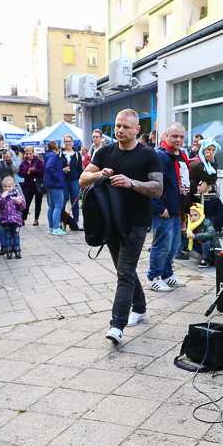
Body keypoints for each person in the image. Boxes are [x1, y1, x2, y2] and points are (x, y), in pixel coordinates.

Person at [80, 109, 162, 345]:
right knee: (125, 270)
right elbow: (82, 179)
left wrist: (131, 183)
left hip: (136, 224)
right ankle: (141, 307)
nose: (120, 130)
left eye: (126, 127)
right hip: (110, 224)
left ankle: (117, 325)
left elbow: (158, 188)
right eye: (117, 126)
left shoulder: (148, 154)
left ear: (137, 129)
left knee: (124, 273)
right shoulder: (104, 151)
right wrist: (98, 175)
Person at [148, 122, 190, 292]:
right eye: (175, 136)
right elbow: (154, 184)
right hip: (164, 210)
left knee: (173, 245)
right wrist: (159, 207)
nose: (178, 140)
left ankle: (167, 275)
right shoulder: (160, 155)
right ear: (166, 136)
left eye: (181, 137)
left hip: (177, 210)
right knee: (162, 245)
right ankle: (153, 277)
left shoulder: (182, 154)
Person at [188, 139, 223, 231]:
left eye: (213, 150)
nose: (211, 152)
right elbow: (213, 177)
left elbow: (209, 175)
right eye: (208, 150)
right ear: (203, 150)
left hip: (195, 191)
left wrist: (205, 181)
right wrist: (213, 162)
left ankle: (214, 226)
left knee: (214, 201)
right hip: (191, 194)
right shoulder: (197, 163)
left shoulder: (204, 162)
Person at [0, 176, 25, 259]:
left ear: (13, 186)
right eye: (5, 187)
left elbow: (23, 207)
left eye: (9, 186)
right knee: (7, 236)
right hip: (6, 220)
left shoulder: (17, 195)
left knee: (16, 235)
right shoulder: (2, 196)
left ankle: (17, 250)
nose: (7, 188)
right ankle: (8, 251)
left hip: (16, 220)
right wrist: (2, 197)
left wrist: (19, 202)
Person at [42, 140, 67, 236]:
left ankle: (51, 227)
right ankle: (56, 228)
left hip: (49, 184)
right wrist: (57, 176)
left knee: (51, 206)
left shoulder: (47, 155)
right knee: (58, 206)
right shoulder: (53, 156)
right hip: (55, 184)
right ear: (56, 146)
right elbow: (49, 167)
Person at [187, 203, 220, 268]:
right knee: (185, 239)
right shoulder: (191, 224)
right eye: (191, 215)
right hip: (200, 246)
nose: (193, 218)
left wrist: (195, 236)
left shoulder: (207, 222)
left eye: (195, 215)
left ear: (201, 215)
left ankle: (205, 259)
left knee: (205, 239)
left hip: (212, 248)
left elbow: (211, 234)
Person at [18, 146, 44, 227]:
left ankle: (36, 219)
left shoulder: (38, 161)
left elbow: (42, 171)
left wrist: (34, 171)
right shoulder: (23, 162)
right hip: (28, 185)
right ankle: (23, 219)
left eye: (30, 153)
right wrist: (27, 173)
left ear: (33, 152)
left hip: (38, 185)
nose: (28, 155)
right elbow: (20, 173)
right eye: (27, 154)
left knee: (38, 202)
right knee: (26, 203)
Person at [61, 134, 83, 226]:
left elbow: (80, 169)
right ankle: (61, 221)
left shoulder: (77, 154)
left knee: (75, 201)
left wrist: (81, 182)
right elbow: (57, 167)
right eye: (66, 141)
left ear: (72, 142)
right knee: (63, 201)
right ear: (64, 142)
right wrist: (63, 170)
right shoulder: (60, 154)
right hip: (64, 180)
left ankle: (76, 221)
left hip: (74, 180)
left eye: (69, 141)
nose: (68, 143)